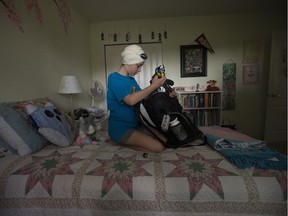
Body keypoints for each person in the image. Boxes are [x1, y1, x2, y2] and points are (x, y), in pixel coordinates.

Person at [107, 44, 167, 153]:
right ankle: (121, 141)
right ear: (128, 62)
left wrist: (157, 87)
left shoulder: (131, 80)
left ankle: (126, 141)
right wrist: (154, 86)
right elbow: (130, 100)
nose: (139, 70)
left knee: (165, 140)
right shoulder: (114, 78)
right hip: (121, 129)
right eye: (138, 66)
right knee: (159, 147)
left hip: (137, 125)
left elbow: (143, 98)